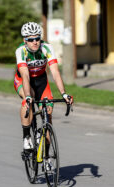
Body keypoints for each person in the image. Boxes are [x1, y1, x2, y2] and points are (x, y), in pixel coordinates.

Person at [14, 22, 73, 152]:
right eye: (31, 39)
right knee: (28, 101)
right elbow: (25, 75)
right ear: (25, 40)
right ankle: (27, 137)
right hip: (24, 81)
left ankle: (46, 156)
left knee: (48, 114)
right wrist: (28, 96)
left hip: (41, 81)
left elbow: (55, 72)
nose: (35, 42)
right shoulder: (21, 51)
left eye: (37, 38)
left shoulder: (47, 48)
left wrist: (64, 94)